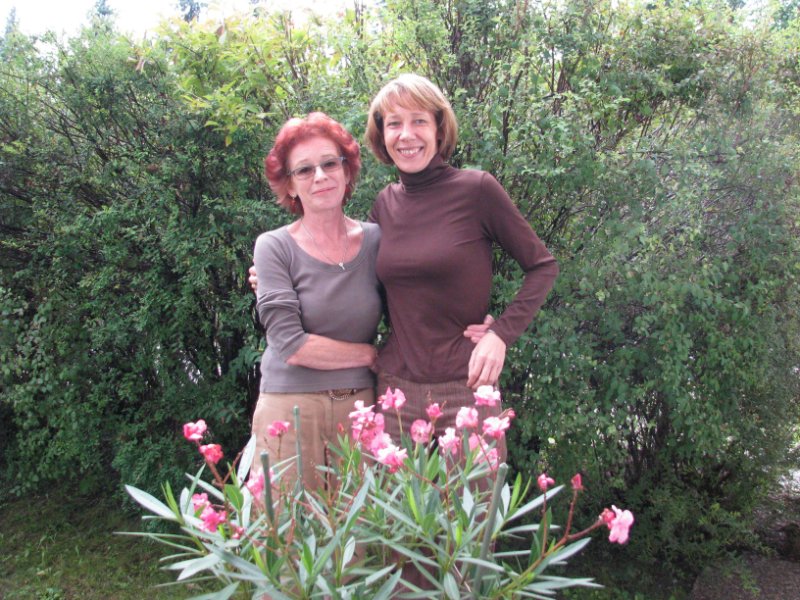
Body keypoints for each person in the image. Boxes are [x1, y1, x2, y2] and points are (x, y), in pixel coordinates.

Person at [364, 73, 559, 453]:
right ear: (382, 135)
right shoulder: (384, 204)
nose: (406, 135)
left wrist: (500, 335)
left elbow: (542, 266)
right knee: (386, 495)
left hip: (467, 386)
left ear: (439, 129)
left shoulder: (476, 190)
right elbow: (354, 278)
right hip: (396, 392)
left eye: (419, 121)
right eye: (394, 124)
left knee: (479, 494)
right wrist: (280, 275)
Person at [251, 112, 382, 492]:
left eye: (329, 164)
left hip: (359, 408)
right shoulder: (274, 247)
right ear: (290, 185)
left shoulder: (377, 241)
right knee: (286, 523)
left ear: (347, 171)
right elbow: (290, 344)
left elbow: (417, 302)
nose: (320, 176)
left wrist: (481, 324)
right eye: (305, 170)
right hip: (289, 407)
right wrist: (370, 355)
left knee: (364, 524)